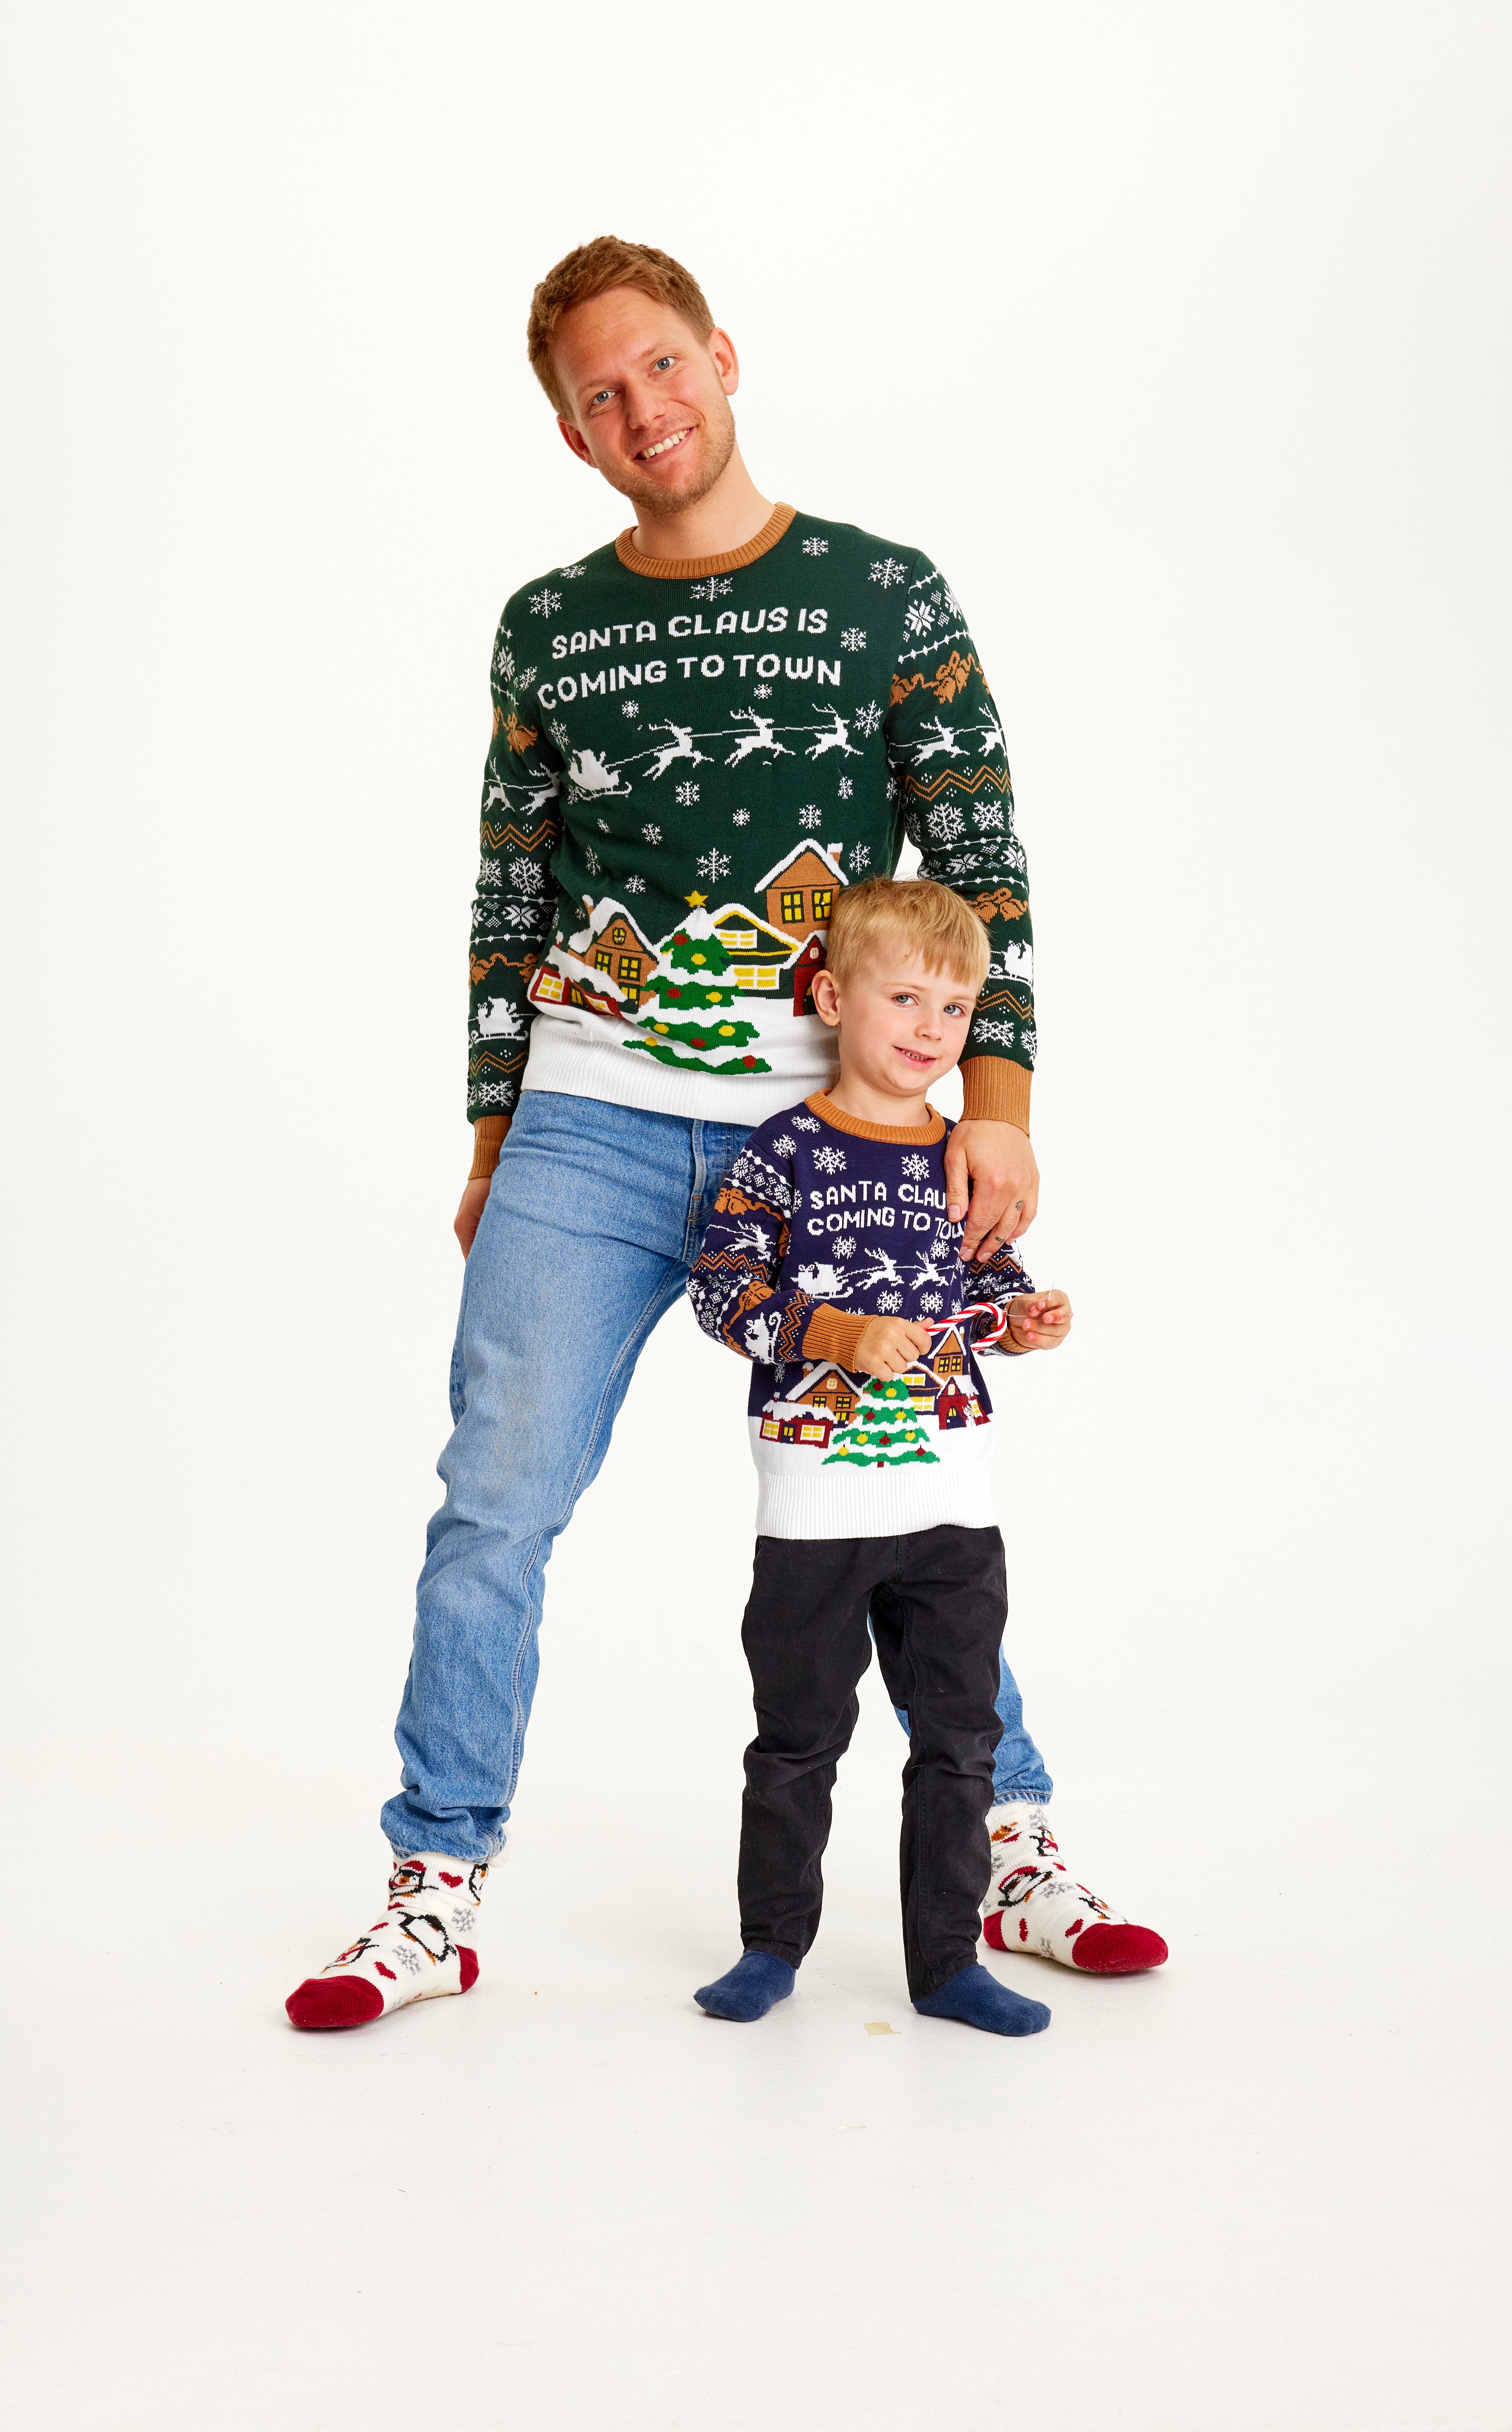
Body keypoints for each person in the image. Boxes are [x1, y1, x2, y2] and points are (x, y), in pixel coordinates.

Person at [284, 236, 1166, 2033]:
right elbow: (511, 891)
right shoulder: (548, 626)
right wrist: (492, 1141)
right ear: (571, 434)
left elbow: (980, 858)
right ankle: (435, 1885)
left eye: (662, 366)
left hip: (838, 1120)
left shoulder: (882, 593)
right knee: (496, 1499)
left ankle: (1005, 1843)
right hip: (589, 1122)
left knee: (906, 1491)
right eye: (599, 395)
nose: (643, 409)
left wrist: (994, 1105)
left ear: (725, 356)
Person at [690, 878, 1072, 2036]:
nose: (930, 1029)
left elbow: (986, 1284)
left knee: (959, 1743)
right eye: (903, 997)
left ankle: (948, 1964)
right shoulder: (781, 1151)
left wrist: (1022, 1318)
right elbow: (721, 1293)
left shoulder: (965, 1157)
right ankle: (770, 1948)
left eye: (954, 1009)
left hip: (952, 1506)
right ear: (830, 998)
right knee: (797, 1744)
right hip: (817, 1508)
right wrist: (837, 1335)